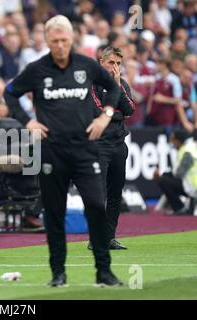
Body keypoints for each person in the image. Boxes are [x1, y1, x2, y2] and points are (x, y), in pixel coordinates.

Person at [3, 15, 123, 287]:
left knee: (95, 205)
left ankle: (104, 271)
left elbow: (114, 88)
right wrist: (27, 121)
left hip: (84, 149)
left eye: (64, 40)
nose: (59, 45)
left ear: (72, 39)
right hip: (51, 151)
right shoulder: (36, 69)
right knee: (54, 213)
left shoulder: (87, 65)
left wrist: (105, 115)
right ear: (47, 40)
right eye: (54, 40)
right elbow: (10, 93)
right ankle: (58, 273)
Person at [88, 46, 136, 250]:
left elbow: (130, 110)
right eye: (111, 63)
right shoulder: (91, 83)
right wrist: (116, 111)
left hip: (118, 144)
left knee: (116, 193)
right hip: (99, 144)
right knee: (99, 194)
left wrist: (116, 89)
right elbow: (97, 111)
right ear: (101, 63)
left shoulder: (122, 83)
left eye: (118, 63)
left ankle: (109, 237)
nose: (115, 67)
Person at [154, 130, 197, 215]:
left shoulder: (187, 151)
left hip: (193, 187)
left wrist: (160, 177)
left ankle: (179, 208)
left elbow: (179, 174)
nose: (171, 142)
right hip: (192, 185)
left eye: (172, 140)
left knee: (163, 181)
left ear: (177, 141)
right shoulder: (190, 147)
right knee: (165, 176)